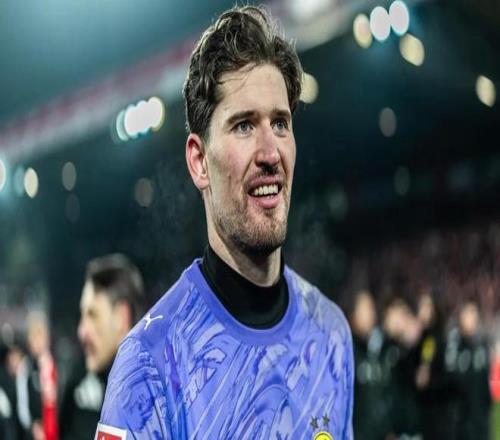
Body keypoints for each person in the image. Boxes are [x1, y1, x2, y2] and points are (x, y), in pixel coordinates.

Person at [96, 5, 354, 439]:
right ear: (199, 161)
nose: (270, 153)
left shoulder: (330, 334)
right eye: (244, 126)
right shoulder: (149, 365)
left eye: (280, 123)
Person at [59, 254, 145, 440]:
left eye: (93, 314)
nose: (81, 332)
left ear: (121, 317)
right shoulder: (78, 380)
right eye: (82, 316)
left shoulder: (155, 395)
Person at [349, 290, 391, 440]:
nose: (372, 315)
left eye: (372, 309)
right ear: (353, 313)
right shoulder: (345, 350)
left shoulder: (375, 351)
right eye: (367, 309)